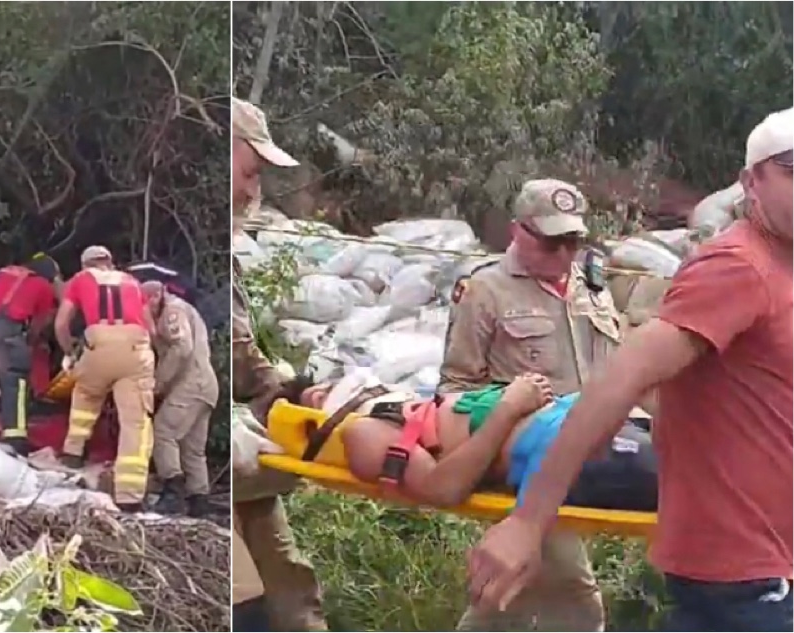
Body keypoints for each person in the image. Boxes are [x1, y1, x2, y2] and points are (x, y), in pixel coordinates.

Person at [467, 108, 793, 632]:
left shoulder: (780, 269)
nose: (565, 252)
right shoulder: (738, 267)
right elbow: (624, 375)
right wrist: (528, 520)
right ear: (750, 181)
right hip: (745, 576)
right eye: (791, 168)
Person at [439, 178, 624, 631]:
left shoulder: (592, 288)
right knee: (575, 597)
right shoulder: (486, 290)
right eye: (551, 243)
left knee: (516, 590)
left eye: (573, 242)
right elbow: (454, 390)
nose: (564, 255)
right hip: (527, 461)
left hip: (589, 459)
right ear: (519, 232)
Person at [230, 96, 328, 632]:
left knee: (290, 584)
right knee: (246, 605)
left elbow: (242, 354)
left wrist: (288, 393)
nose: (253, 190)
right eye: (249, 172)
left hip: (243, 450)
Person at [288, 374, 656, 512]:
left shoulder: (402, 401)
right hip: (561, 451)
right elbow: (442, 489)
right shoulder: (363, 434)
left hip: (582, 417)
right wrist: (507, 409)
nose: (325, 389)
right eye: (315, 397)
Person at [54, 245, 155, 513]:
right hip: (136, 347)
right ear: (109, 262)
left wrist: (70, 351)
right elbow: (151, 328)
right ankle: (130, 496)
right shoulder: (133, 282)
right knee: (135, 423)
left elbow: (61, 324)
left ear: (85, 264)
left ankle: (73, 452)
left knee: (86, 393)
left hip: (98, 344)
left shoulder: (80, 280)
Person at [141, 280, 219, 517]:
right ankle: (199, 500)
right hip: (205, 385)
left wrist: (158, 382)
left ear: (156, 296)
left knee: (164, 431)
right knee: (192, 448)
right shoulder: (177, 309)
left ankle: (172, 490)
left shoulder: (173, 311)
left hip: (191, 383)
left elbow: (181, 348)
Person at [0, 253, 61, 455]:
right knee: (16, 379)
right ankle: (15, 437)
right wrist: (30, 342)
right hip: (6, 329)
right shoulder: (43, 286)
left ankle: (2, 405)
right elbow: (40, 324)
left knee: (1, 372)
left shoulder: (5, 273)